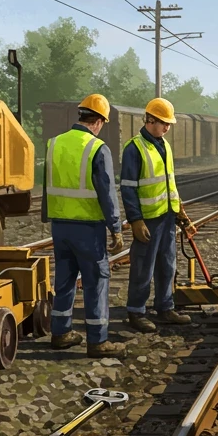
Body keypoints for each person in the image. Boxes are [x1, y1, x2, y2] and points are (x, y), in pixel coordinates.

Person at [42, 94, 125, 358]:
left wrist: (49, 215)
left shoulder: (54, 144)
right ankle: (98, 341)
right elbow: (107, 192)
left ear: (81, 116)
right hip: (88, 228)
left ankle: (61, 332)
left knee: (64, 280)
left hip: (60, 226)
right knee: (95, 281)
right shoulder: (97, 148)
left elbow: (47, 185)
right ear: (99, 121)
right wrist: (116, 228)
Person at [119, 96, 196, 331]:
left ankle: (165, 307)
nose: (168, 127)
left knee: (167, 265)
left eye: (169, 123)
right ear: (150, 120)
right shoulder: (135, 148)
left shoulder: (164, 145)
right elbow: (128, 188)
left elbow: (169, 184)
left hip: (166, 217)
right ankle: (136, 312)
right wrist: (135, 220)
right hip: (148, 220)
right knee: (143, 267)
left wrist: (181, 214)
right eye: (164, 123)